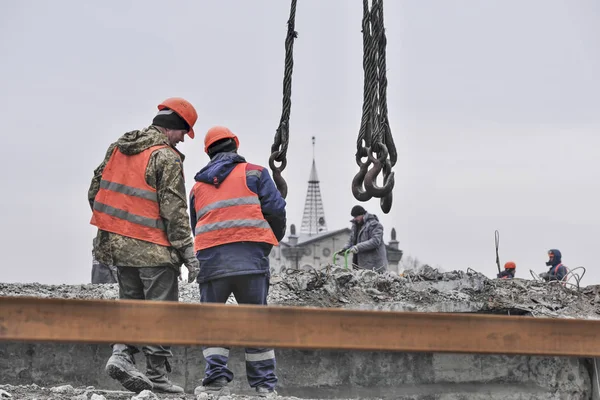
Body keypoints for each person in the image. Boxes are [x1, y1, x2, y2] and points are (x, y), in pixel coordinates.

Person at [88, 97, 201, 394]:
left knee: (132, 305)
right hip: (154, 248)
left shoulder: (118, 148)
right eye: (183, 134)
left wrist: (117, 228)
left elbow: (95, 190)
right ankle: (157, 375)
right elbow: (174, 211)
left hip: (117, 247)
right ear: (174, 128)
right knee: (160, 311)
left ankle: (121, 353)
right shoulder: (166, 157)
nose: (182, 141)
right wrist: (189, 254)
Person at [189, 126, 286, 398]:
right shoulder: (255, 173)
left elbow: (196, 226)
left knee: (213, 323)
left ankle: (215, 382)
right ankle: (265, 386)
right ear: (236, 145)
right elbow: (276, 209)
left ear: (208, 152)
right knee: (256, 323)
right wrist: (268, 238)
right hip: (250, 261)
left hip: (212, 264)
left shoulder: (198, 187)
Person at [337, 205, 388, 273]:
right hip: (359, 265)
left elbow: (375, 241)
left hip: (374, 267)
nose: (355, 219)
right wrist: (345, 249)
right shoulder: (355, 226)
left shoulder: (374, 225)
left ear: (363, 214)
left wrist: (358, 247)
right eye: (354, 217)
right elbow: (352, 240)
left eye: (356, 217)